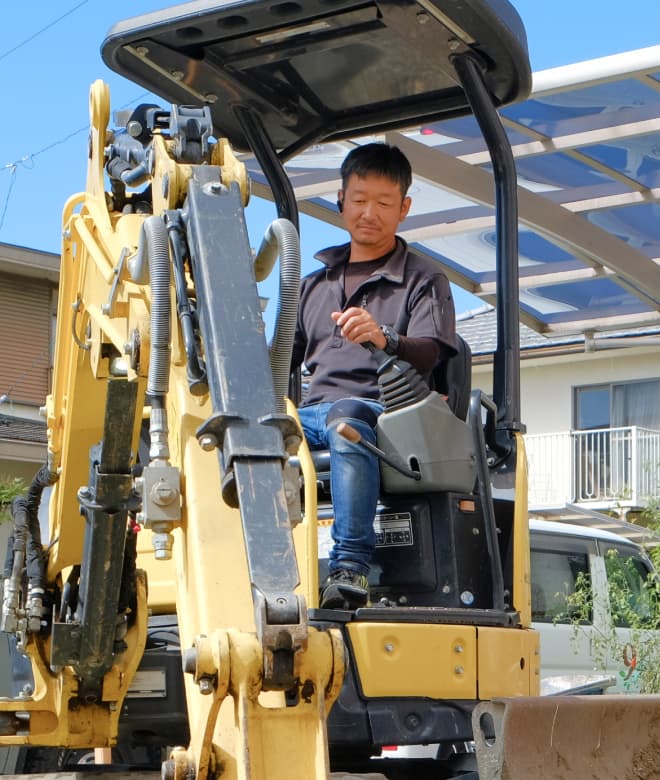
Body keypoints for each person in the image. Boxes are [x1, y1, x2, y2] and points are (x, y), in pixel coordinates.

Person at [291, 142, 457, 609]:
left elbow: (431, 354)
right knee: (253, 430)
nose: (370, 212)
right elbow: (280, 357)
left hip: (388, 413)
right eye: (360, 199)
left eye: (384, 203)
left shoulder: (424, 279)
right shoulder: (313, 285)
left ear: (404, 208)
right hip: (313, 416)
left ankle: (350, 567)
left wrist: (386, 339)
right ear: (341, 200)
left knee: (346, 420)